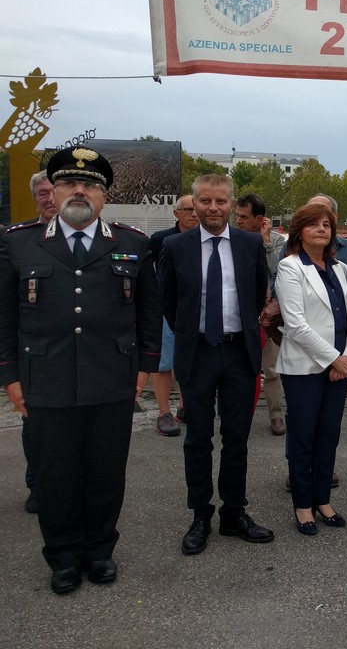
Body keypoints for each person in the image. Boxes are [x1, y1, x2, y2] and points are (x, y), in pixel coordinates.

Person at [0, 147, 162, 594]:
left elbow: (149, 311)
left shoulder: (132, 243)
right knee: (54, 474)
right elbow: (5, 316)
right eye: (69, 183)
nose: (79, 191)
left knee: (105, 470)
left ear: (103, 197)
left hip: (112, 374)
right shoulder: (19, 242)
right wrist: (9, 375)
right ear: (53, 191)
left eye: (90, 185)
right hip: (44, 377)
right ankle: (64, 557)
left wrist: (145, 366)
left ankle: (99, 550)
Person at [158, 174, 273, 555]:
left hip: (239, 353)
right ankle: (200, 515)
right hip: (198, 353)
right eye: (205, 201)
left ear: (231, 204)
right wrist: (193, 334)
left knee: (236, 438)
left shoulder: (250, 244)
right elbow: (169, 302)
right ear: (193, 204)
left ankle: (234, 513)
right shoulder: (175, 246)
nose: (213, 208)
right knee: (197, 439)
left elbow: (256, 294)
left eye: (220, 201)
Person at [275, 203, 347, 535]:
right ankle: (303, 505)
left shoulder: (342, 268)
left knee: (329, 435)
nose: (322, 229)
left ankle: (323, 499)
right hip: (304, 368)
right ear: (299, 232)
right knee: (303, 437)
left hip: (339, 365)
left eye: (326, 224)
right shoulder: (290, 267)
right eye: (313, 225)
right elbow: (296, 325)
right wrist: (334, 358)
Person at [16, 171, 58, 514]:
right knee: (35, 425)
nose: (50, 199)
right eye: (42, 193)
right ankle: (37, 484)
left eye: (54, 191)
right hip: (35, 353)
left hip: (76, 350)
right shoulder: (18, 240)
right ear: (35, 198)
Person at [147, 195, 199, 436]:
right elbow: (147, 272)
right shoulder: (161, 239)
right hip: (166, 309)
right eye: (187, 209)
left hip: (195, 309)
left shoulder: (206, 238)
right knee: (164, 363)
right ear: (176, 213)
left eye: (196, 209)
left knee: (191, 362)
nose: (194, 214)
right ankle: (164, 412)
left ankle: (185, 407)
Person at [235, 192, 286, 436]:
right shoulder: (233, 240)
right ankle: (240, 415)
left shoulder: (277, 242)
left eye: (244, 217)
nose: (238, 221)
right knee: (241, 369)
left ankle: (276, 415)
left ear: (260, 219)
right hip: (241, 313)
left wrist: (265, 243)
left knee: (272, 369)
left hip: (269, 315)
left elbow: (279, 273)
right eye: (237, 216)